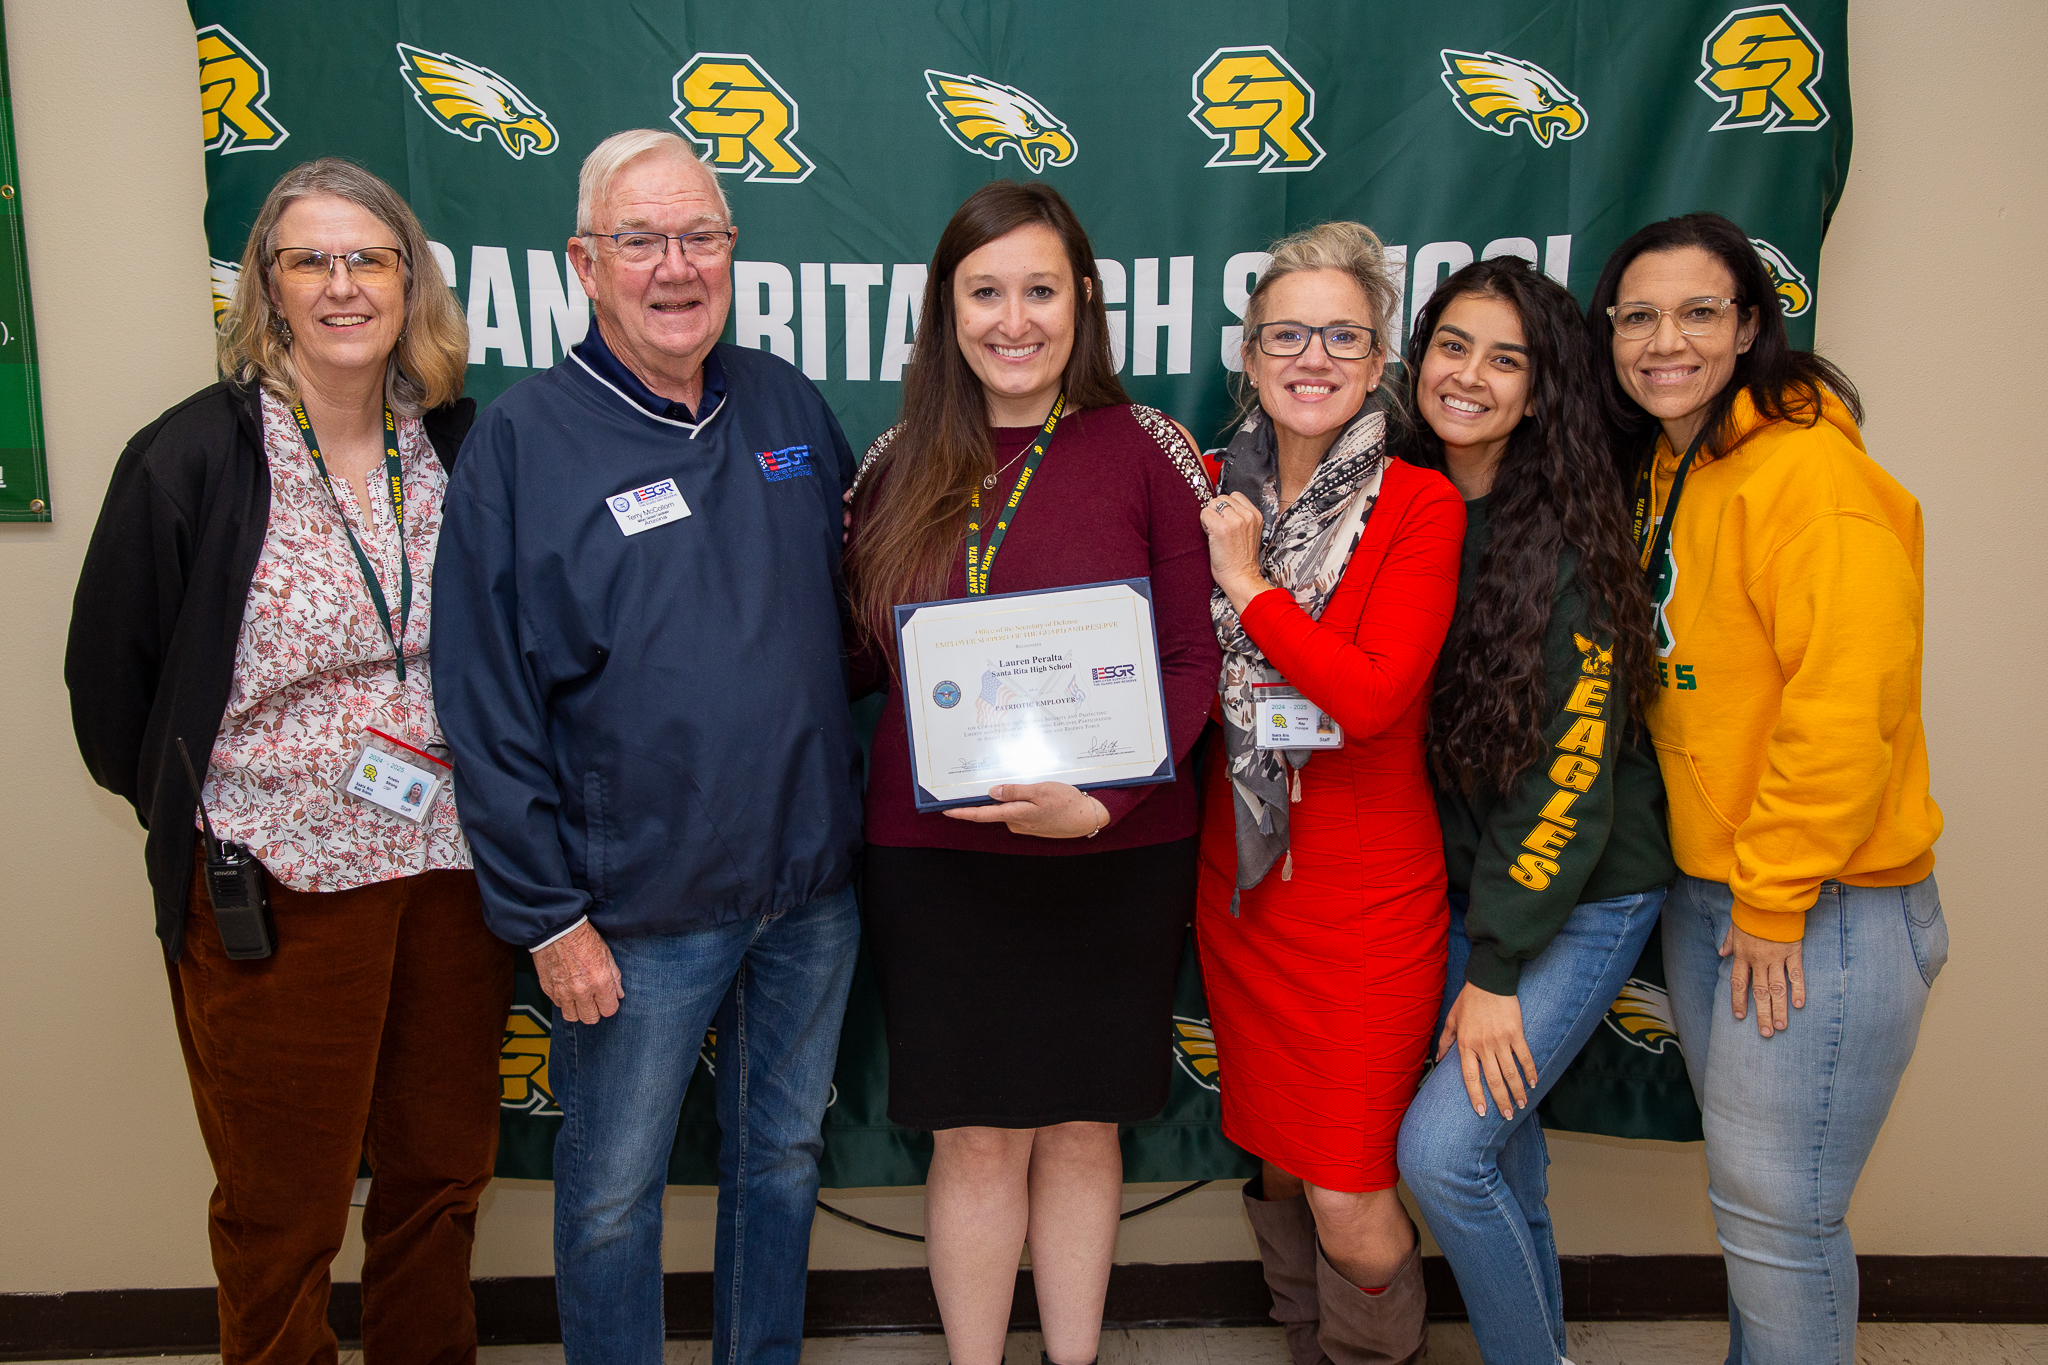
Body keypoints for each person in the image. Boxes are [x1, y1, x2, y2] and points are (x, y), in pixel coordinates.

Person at [431, 131, 864, 1365]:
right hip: (631, 912)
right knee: (614, 1195)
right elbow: (483, 702)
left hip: (807, 893)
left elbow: (851, 618)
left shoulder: (782, 401)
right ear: (584, 260)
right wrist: (548, 917)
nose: (675, 267)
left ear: (731, 250)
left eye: (701, 237)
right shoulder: (522, 444)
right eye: (641, 240)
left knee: (780, 1159)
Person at [66, 158, 506, 1362]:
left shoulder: (459, 447)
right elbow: (113, 695)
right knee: (285, 1209)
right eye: (309, 259)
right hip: (281, 893)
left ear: (409, 281)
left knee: (440, 1182)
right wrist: (228, 807)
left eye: (368, 257)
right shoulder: (193, 457)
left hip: (453, 882)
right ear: (266, 287)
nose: (342, 284)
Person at [845, 180, 1217, 1365]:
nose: (1015, 319)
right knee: (972, 1137)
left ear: (1085, 302)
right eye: (985, 292)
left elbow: (1190, 655)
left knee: (1079, 1127)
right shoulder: (897, 460)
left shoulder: (1147, 448)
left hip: (1117, 850)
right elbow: (853, 655)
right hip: (938, 861)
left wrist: (1102, 802)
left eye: (1040, 290)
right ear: (945, 311)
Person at [1589, 212, 1946, 1365]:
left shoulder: (1809, 476)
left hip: (1816, 904)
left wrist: (1772, 895)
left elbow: (1845, 707)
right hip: (1720, 892)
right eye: (1637, 316)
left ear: (1748, 326)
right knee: (1758, 1221)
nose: (1663, 342)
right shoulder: (1670, 463)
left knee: (1776, 1224)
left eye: (1698, 313)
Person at [1389, 257, 1674, 1365]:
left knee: (1442, 1154)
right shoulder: (1403, 497)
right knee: (1504, 1162)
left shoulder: (1565, 538)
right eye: (1452, 346)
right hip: (1463, 886)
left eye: (1505, 359)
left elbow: (1567, 784)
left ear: (1542, 388)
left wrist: (1497, 969)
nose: (1468, 376)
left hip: (1579, 891)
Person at [1194, 222, 1465, 1365]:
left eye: (1341, 336)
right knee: (1273, 1159)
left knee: (1350, 1190)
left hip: (1361, 908)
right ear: (1247, 357)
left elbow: (1367, 698)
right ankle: (1306, 1342)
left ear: (1377, 361)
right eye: (1285, 334)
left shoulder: (1416, 506)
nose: (1312, 357)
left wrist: (1247, 585)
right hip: (1244, 891)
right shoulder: (1205, 487)